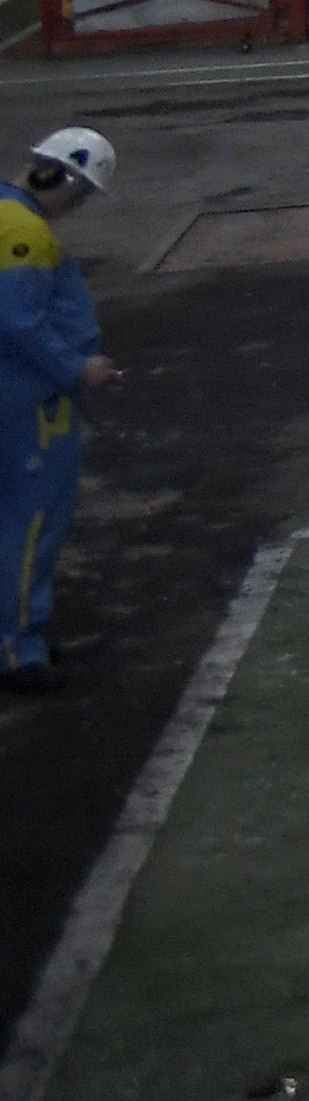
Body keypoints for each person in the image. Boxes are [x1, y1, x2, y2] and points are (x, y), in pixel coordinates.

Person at [0, 129, 122, 690]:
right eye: (81, 192)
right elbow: (20, 322)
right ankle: (19, 648)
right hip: (27, 403)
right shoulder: (21, 230)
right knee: (31, 524)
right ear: (62, 176)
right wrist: (79, 368)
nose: (78, 204)